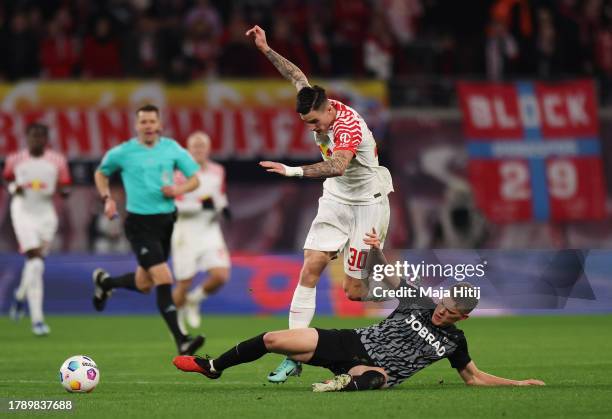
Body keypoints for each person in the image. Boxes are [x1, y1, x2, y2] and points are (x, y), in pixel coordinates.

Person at [173, 230, 545, 391]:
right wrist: (374, 248)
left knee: (375, 379)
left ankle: (341, 385)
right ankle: (213, 367)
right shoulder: (421, 302)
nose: (443, 312)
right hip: (349, 341)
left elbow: (474, 378)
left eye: (451, 312)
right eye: (445, 304)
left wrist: (518, 384)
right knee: (273, 338)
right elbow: (387, 275)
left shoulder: (454, 341)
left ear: (462, 318)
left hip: (371, 368)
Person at [246, 25, 394, 382]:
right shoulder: (315, 102)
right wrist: (266, 48)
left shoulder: (348, 129)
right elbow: (296, 75)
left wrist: (292, 171)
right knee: (311, 266)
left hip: (367, 204)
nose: (311, 129)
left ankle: (403, 285)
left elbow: (338, 166)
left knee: (355, 292)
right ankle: (293, 354)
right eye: (306, 123)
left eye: (314, 122)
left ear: (328, 112)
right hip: (336, 200)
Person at [92, 104, 205, 355]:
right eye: (143, 122)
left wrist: (178, 190)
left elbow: (195, 179)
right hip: (139, 224)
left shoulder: (172, 148)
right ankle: (182, 340)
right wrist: (107, 198)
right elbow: (102, 172)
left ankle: (106, 282)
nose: (148, 126)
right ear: (136, 126)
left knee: (145, 284)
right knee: (164, 278)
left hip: (165, 222)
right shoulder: (124, 152)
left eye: (152, 121)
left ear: (159, 124)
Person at [5, 123, 71, 336]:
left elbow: (65, 186)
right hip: (23, 211)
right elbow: (7, 179)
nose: (37, 140)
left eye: (41, 136)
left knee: (36, 264)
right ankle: (38, 320)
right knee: (35, 261)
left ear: (46, 139)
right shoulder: (15, 159)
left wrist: (63, 189)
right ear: (27, 137)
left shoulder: (57, 161)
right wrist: (14, 187)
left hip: (45, 214)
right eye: (33, 136)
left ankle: (19, 296)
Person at [171, 131, 231, 331]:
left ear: (208, 148)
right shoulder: (178, 173)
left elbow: (219, 197)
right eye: (194, 146)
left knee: (221, 275)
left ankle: (194, 300)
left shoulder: (217, 171)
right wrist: (199, 206)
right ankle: (177, 322)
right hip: (185, 231)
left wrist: (224, 208)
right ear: (188, 149)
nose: (198, 150)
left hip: (209, 230)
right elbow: (173, 206)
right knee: (184, 282)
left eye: (201, 146)